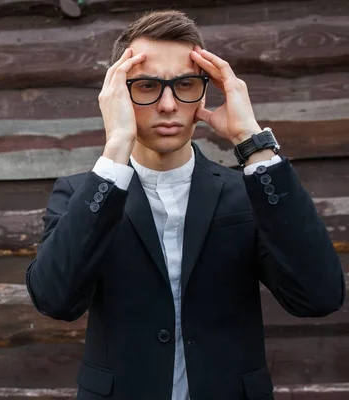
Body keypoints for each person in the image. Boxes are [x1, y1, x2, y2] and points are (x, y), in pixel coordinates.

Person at [25, 9, 345, 400]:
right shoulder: (83, 194)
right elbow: (55, 300)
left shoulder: (248, 192)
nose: (167, 104)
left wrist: (252, 141)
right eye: (146, 86)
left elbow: (319, 297)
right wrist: (115, 149)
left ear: (204, 90)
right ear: (118, 94)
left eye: (185, 84)